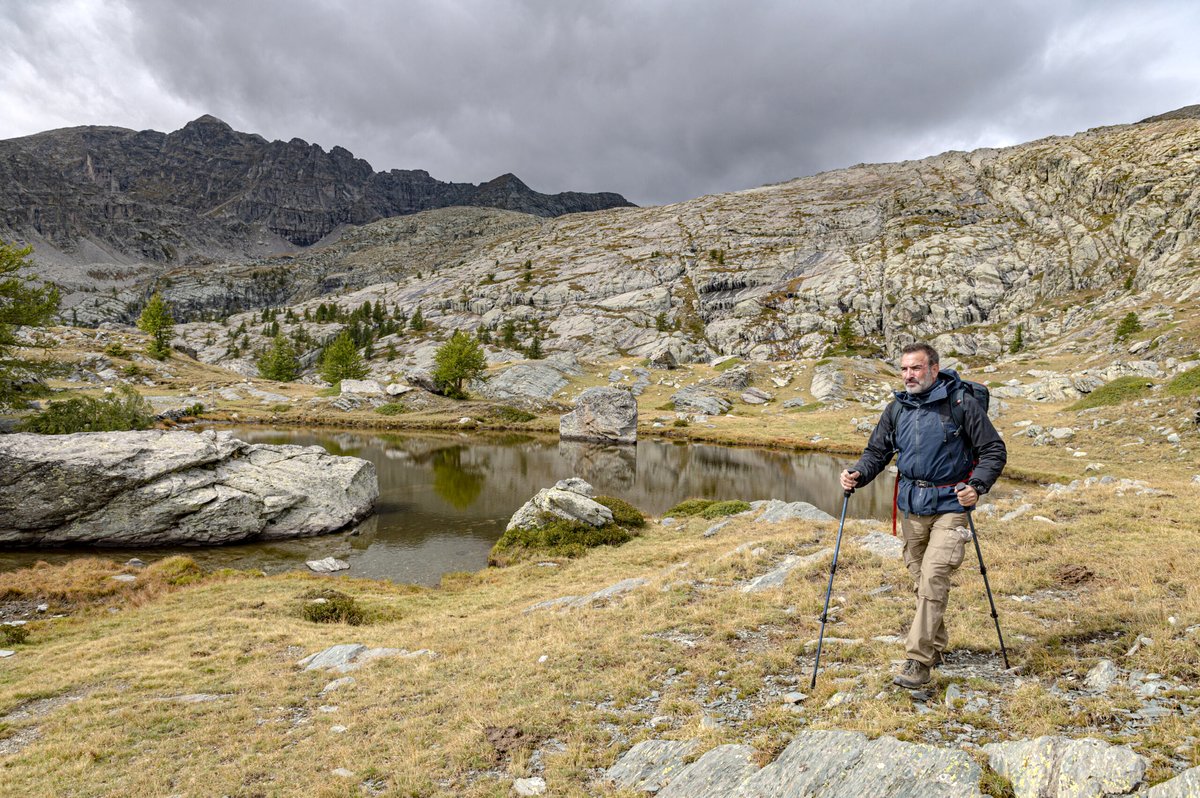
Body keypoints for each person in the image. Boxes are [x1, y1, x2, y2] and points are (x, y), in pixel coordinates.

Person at [839, 343, 1007, 688]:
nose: (908, 375)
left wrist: (977, 485)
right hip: (912, 507)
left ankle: (918, 661)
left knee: (933, 577)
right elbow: (877, 452)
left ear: (933, 369)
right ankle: (935, 646)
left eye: (915, 368)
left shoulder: (960, 403)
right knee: (921, 581)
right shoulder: (897, 408)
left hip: (951, 506)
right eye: (904, 369)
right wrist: (858, 473)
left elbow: (993, 449)